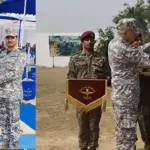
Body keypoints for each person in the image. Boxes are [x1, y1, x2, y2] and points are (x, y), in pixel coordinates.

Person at [108, 18, 150, 150]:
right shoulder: (121, 47)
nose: (136, 35)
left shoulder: (115, 43)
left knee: (124, 133)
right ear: (125, 32)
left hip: (124, 97)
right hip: (125, 99)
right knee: (127, 136)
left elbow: (138, 50)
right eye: (134, 32)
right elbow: (144, 59)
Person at [67, 31, 110, 150]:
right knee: (82, 125)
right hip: (80, 98)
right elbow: (71, 76)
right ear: (82, 42)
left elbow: (108, 75)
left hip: (96, 98)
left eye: (92, 40)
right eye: (87, 40)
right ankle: (83, 146)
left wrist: (104, 81)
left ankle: (93, 147)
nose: (90, 42)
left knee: (94, 125)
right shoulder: (75, 58)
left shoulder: (101, 58)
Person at [0, 28, 27, 149]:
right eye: (7, 37)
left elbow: (15, 73)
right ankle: (5, 144)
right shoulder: (2, 54)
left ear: (16, 38)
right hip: (1, 94)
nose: (9, 40)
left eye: (12, 37)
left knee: (13, 122)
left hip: (13, 94)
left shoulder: (21, 54)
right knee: (3, 121)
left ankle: (13, 146)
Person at [132, 33, 150, 150]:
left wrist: (139, 72)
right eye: (135, 40)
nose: (138, 42)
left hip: (144, 99)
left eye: (140, 40)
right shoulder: (124, 56)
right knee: (128, 131)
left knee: (147, 129)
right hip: (127, 100)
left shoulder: (146, 56)